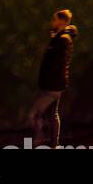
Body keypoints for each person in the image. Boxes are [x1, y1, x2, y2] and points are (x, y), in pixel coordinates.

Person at [28, 9, 76, 148]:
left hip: (53, 85)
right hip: (55, 83)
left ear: (61, 21)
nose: (52, 22)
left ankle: (40, 139)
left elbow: (56, 64)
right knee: (52, 114)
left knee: (35, 113)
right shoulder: (61, 38)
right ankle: (54, 144)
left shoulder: (62, 40)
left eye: (54, 20)